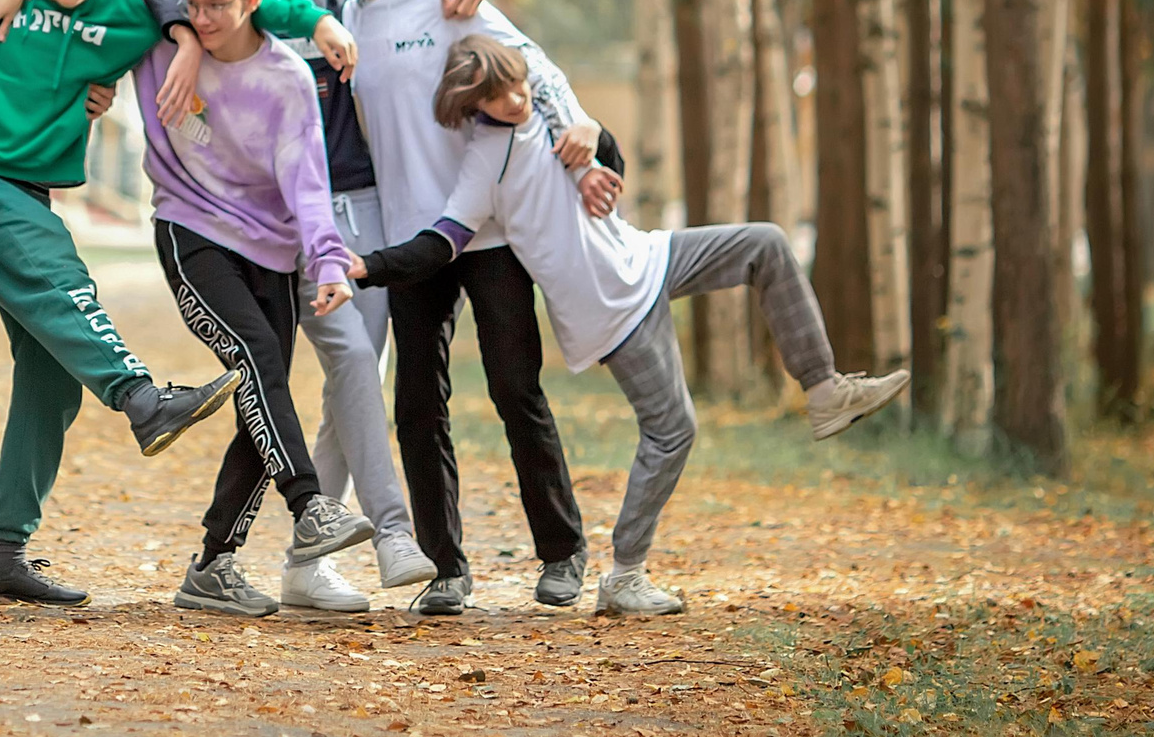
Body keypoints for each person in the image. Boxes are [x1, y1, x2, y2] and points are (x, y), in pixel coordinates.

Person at [351, 36, 910, 615]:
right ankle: (624, 573)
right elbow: (440, 243)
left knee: (765, 244)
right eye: (497, 96)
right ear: (473, 106)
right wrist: (371, 265)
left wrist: (593, 132)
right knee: (673, 429)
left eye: (517, 82)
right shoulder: (485, 165)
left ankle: (823, 391)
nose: (516, 97)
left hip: (648, 255)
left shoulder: (548, 110)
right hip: (612, 306)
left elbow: (606, 164)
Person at [0, 0, 357, 607]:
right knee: (62, 277)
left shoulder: (133, 7)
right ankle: (141, 397)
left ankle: (7, 552)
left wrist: (311, 20)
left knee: (48, 371)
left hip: (33, 188)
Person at [330, 0, 621, 616]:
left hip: (488, 231)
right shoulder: (340, 18)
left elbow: (534, 66)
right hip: (408, 237)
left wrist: (578, 129)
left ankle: (563, 554)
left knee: (514, 388)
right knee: (418, 408)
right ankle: (445, 568)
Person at [224, 0, 482, 606]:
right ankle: (349, 538)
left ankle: (310, 559)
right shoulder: (237, 2)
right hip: (285, 214)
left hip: (364, 202)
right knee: (348, 368)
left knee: (358, 373)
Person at [131, 0, 375, 616]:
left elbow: (308, 185)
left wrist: (327, 259)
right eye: (194, 4)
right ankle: (310, 505)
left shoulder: (287, 79)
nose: (204, 19)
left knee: (259, 396)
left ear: (253, 1)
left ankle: (213, 564)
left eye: (218, 7)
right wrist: (181, 39)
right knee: (257, 358)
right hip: (190, 228)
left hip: (269, 248)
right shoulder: (163, 42)